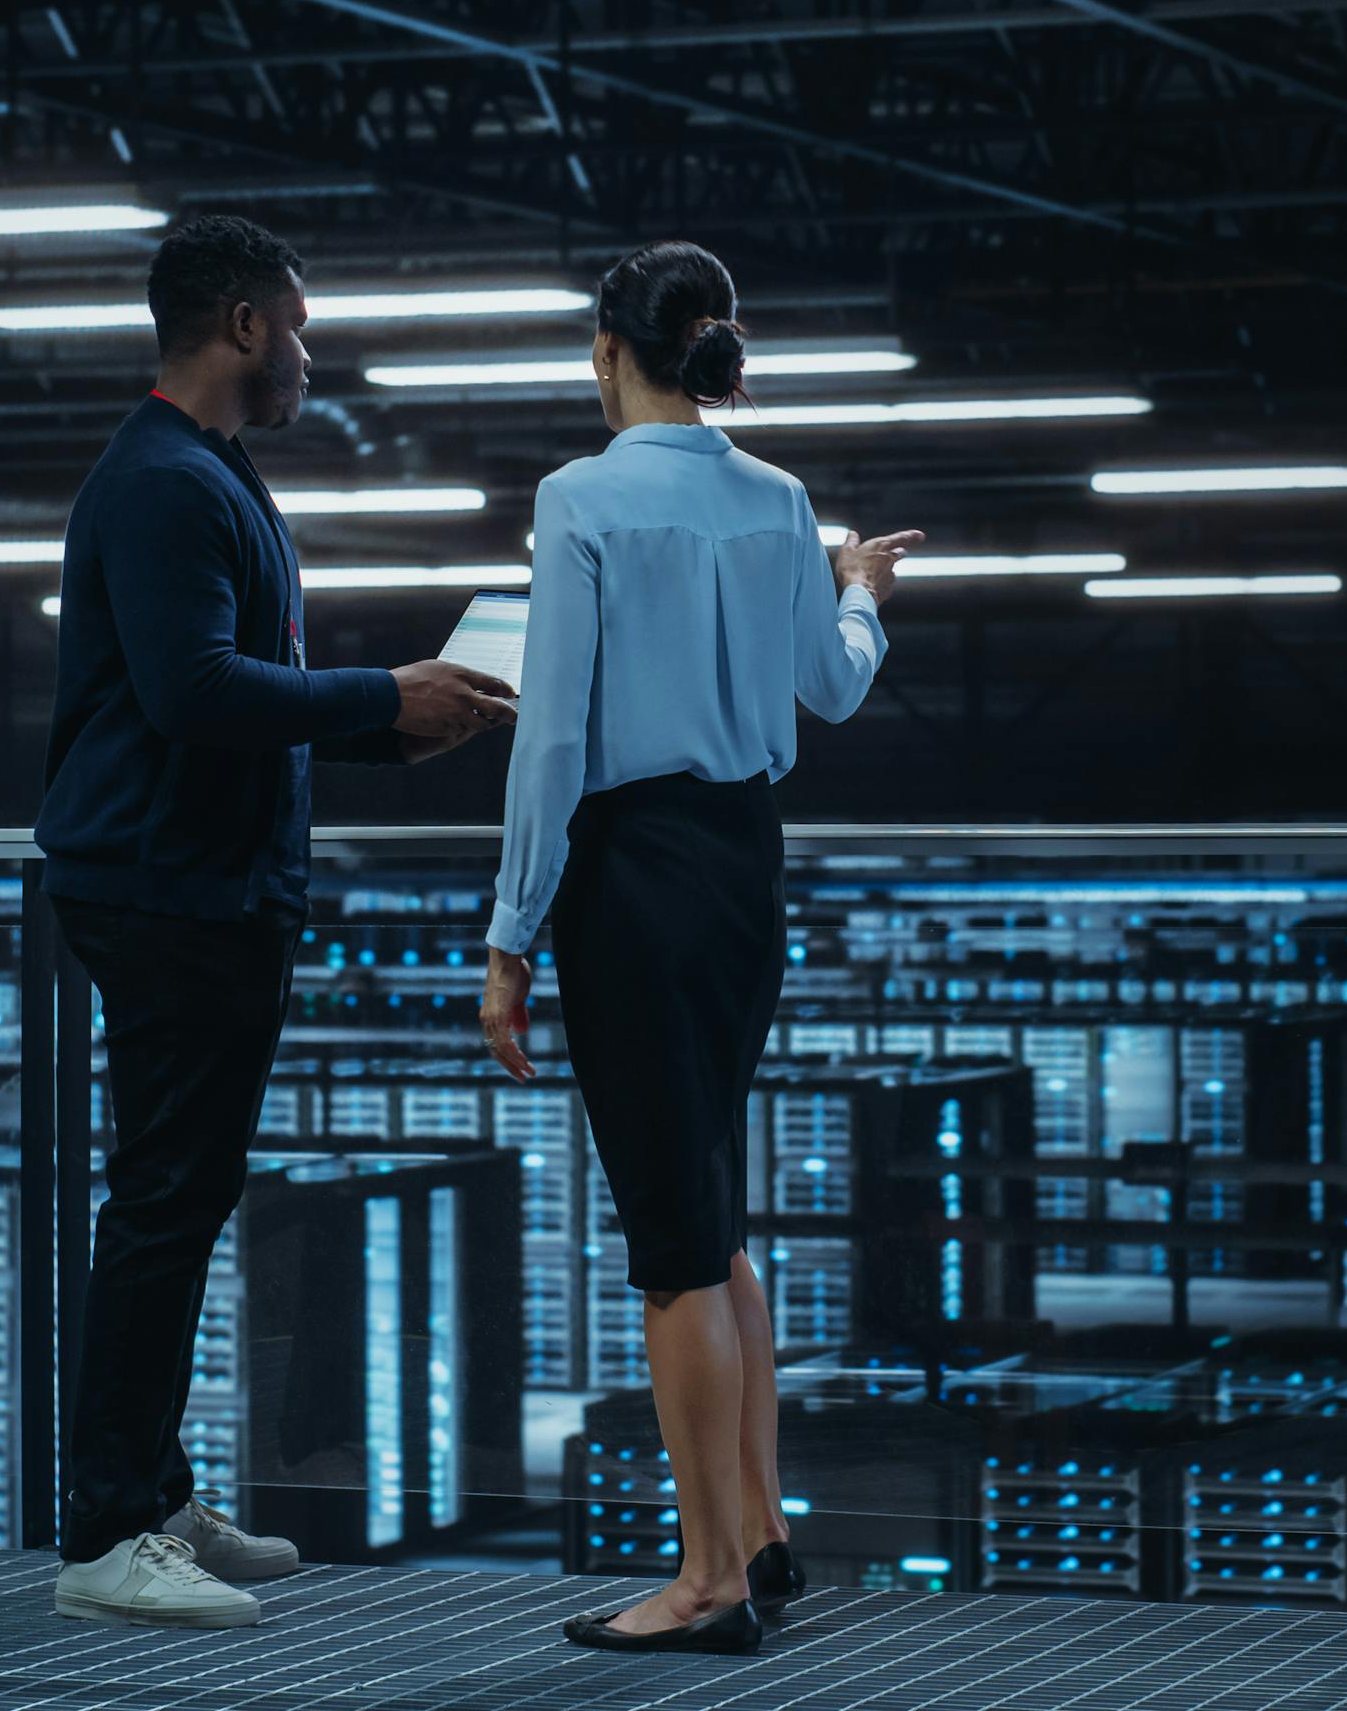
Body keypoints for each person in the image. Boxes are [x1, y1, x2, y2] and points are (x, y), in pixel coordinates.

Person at [37, 211, 517, 1629]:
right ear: (244, 325)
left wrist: (398, 727)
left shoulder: (209, 473)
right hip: (169, 888)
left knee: (179, 1207)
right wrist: (382, 694)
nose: (309, 355)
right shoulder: (164, 483)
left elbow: (241, 690)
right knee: (161, 1210)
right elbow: (193, 693)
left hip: (205, 884)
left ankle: (153, 1497)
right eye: (297, 327)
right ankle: (108, 1537)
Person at [477, 241, 920, 1655]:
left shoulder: (581, 497)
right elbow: (831, 688)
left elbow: (552, 739)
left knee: (672, 1244)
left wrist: (512, 933)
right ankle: (763, 1530)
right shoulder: (778, 498)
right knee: (712, 1212)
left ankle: (708, 1581)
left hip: (633, 876)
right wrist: (857, 588)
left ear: (608, 354)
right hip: (742, 869)